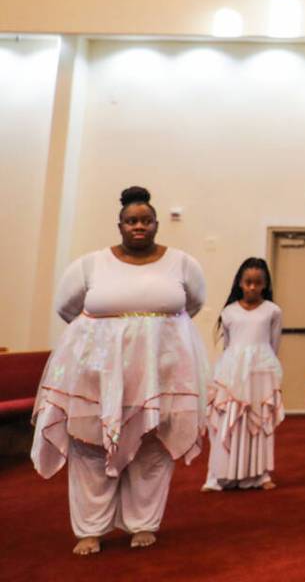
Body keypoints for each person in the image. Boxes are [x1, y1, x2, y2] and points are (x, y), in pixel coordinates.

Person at [31, 186, 210, 555]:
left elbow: (192, 304)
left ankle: (142, 523)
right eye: (131, 221)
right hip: (97, 375)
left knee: (151, 445)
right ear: (120, 225)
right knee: (90, 445)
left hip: (160, 376)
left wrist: (151, 337)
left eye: (146, 220)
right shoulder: (90, 264)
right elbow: (68, 308)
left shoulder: (183, 263)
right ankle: (90, 528)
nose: (139, 226)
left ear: (157, 224)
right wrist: (109, 339)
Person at [202, 257, 284, 492]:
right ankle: (219, 475)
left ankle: (260, 474)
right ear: (239, 283)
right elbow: (228, 347)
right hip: (232, 373)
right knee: (229, 421)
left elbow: (273, 345)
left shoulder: (273, 311)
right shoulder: (229, 312)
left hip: (261, 372)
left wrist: (269, 373)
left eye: (257, 283)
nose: (252, 288)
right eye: (247, 282)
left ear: (265, 285)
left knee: (259, 422)